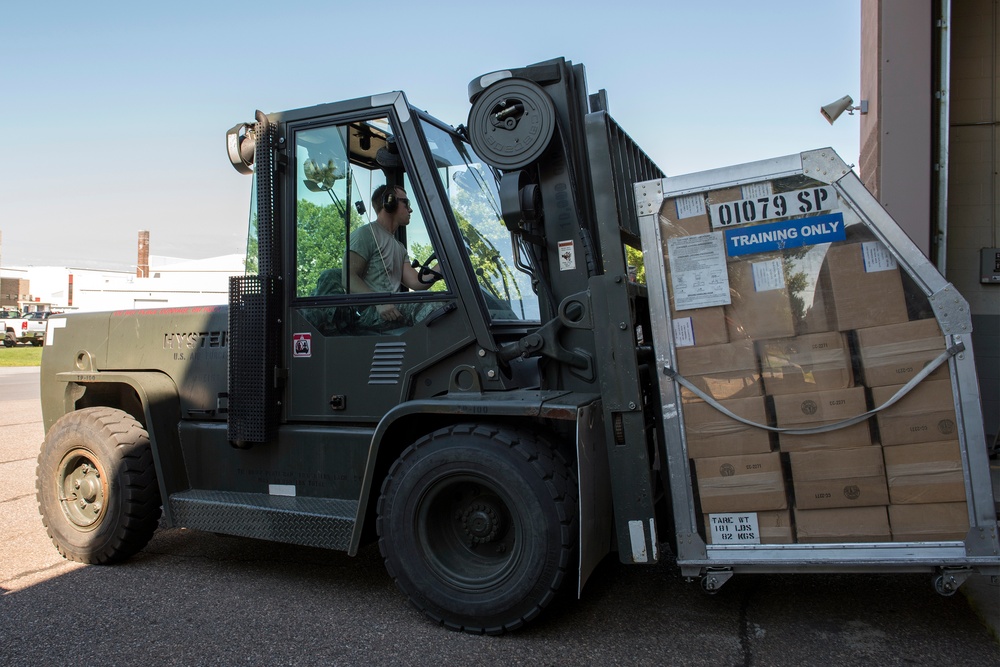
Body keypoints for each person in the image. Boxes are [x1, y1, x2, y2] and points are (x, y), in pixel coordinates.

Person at [347, 184, 441, 327]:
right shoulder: (365, 235)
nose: (410, 209)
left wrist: (444, 266)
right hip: (373, 312)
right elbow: (348, 278)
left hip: (394, 310)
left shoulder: (399, 247)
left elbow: (416, 282)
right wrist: (379, 302)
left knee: (448, 305)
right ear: (389, 202)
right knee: (436, 308)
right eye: (406, 203)